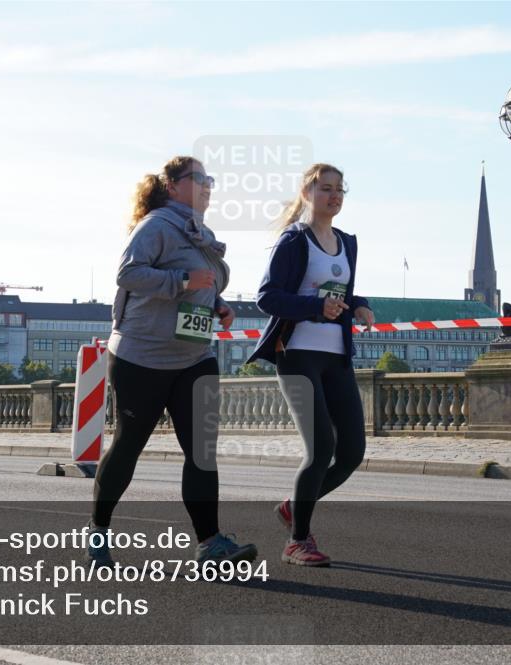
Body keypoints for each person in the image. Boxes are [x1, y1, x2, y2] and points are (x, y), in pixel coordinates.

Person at [87, 155, 257, 567]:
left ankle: (210, 544)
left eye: (209, 180)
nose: (207, 187)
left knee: (201, 451)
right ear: (173, 185)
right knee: (128, 445)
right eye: (199, 179)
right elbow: (128, 274)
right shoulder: (156, 226)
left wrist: (217, 304)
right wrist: (181, 281)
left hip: (193, 356)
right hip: (142, 357)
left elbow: (200, 282)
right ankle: (98, 532)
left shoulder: (201, 232)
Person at [247, 163, 375, 566]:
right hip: (297, 353)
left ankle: (292, 507)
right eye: (325, 189)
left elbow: (342, 293)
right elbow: (267, 298)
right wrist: (315, 307)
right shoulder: (294, 241)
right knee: (321, 450)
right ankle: (297, 541)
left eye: (340, 190)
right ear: (307, 193)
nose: (334, 196)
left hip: (336, 357)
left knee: (352, 452)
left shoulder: (346, 242)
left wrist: (359, 306)